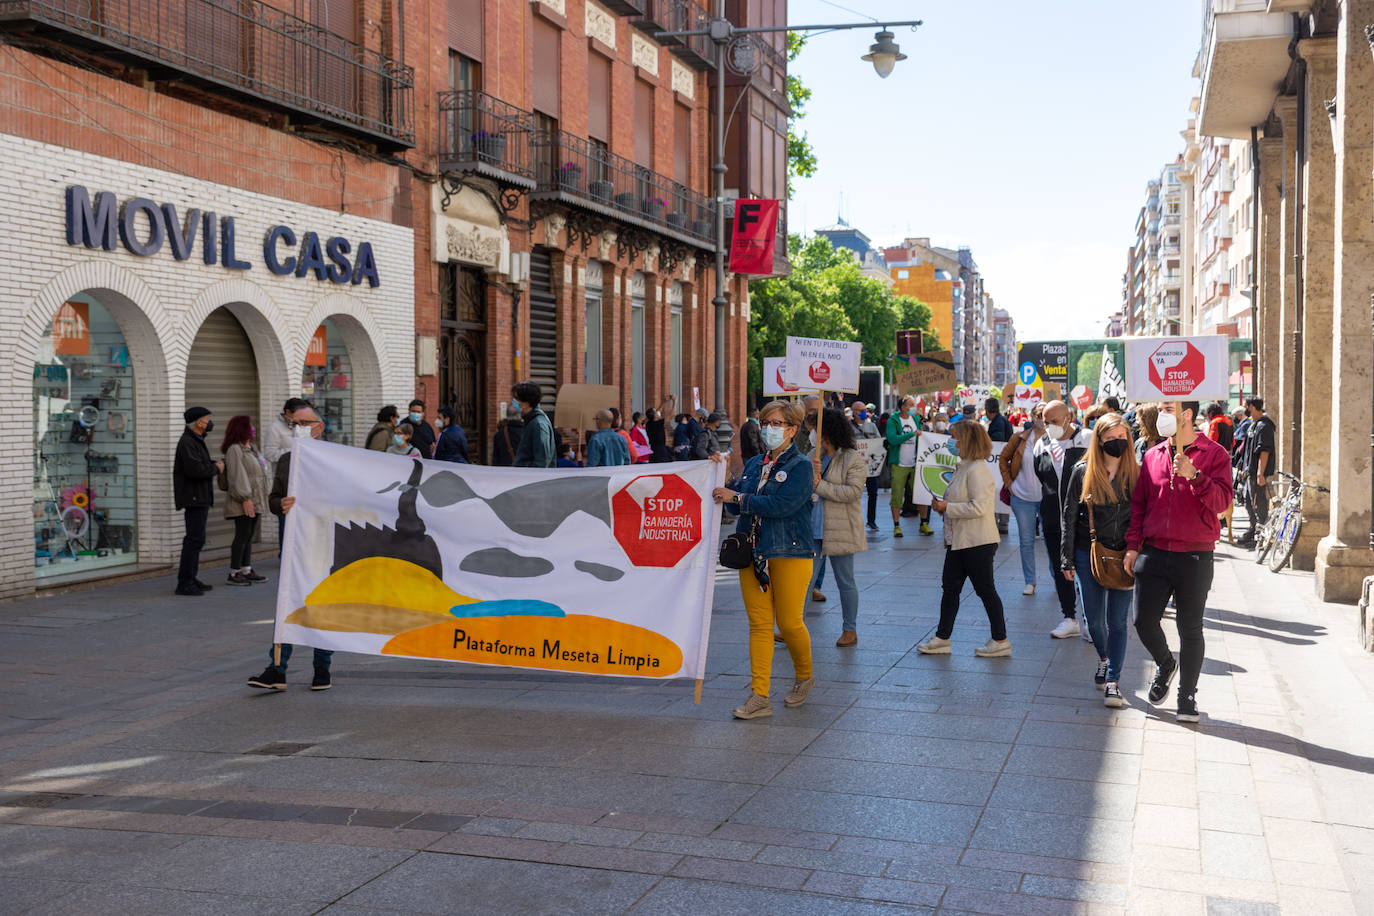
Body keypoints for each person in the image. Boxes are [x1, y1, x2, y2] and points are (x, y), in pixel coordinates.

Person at [1127, 401, 1233, 723]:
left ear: (1186, 414)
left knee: (1190, 628)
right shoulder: (1152, 455)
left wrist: (1195, 476)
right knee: (1143, 621)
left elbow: (1222, 502)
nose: (1161, 415)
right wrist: (1133, 547)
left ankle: (1187, 696)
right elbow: (1140, 505)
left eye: (1167, 408)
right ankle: (1165, 663)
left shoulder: (1215, 454)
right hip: (1155, 551)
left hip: (1196, 554)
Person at [712, 400, 815, 720]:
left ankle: (804, 675)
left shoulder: (801, 467)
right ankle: (760, 694)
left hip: (789, 551)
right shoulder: (756, 464)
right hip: (752, 552)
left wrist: (739, 497)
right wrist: (725, 478)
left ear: (792, 429)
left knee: (789, 623)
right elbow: (732, 507)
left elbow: (780, 505)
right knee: (759, 625)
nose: (769, 428)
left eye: (776, 423)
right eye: (765, 422)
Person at [247, 406, 335, 691]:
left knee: (321, 607)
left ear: (319, 427)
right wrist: (280, 505)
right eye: (292, 423)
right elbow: (274, 497)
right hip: (294, 545)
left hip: (325, 545)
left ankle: (322, 670)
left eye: (302, 423)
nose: (295, 428)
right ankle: (276, 670)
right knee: (287, 604)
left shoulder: (335, 461)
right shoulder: (287, 460)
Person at [1061, 413, 1138, 708]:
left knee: (1117, 621)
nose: (1118, 443)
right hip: (1087, 553)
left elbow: (1142, 516)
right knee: (1094, 620)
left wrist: (1137, 549)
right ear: (1100, 440)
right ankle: (1105, 658)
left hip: (1123, 554)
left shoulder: (1135, 473)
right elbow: (1068, 515)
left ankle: (1113, 680)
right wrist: (1066, 558)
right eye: (1112, 439)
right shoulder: (1083, 471)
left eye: (1123, 438)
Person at [918, 420, 1010, 657]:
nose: (951, 442)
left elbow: (980, 507)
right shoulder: (965, 466)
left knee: (985, 590)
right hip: (958, 540)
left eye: (954, 437)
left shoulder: (977, 470)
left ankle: (1000, 639)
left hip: (977, 541)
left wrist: (947, 506)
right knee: (950, 588)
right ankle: (942, 637)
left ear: (967, 440)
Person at [1032, 399, 1091, 638]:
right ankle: (1070, 617)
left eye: (1054, 421)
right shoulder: (1041, 445)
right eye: (1045, 422)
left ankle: (1091, 621)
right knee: (1060, 570)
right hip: (1053, 520)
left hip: (1083, 520)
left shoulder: (1087, 439)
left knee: (1086, 570)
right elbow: (1041, 476)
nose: (1049, 426)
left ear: (1068, 418)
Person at [811, 408, 867, 647]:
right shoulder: (814, 456)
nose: (812, 435)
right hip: (812, 527)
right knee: (805, 580)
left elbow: (853, 492)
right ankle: (792, 626)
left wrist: (819, 485)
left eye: (815, 430)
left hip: (840, 527)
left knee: (845, 581)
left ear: (827, 433)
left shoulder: (851, 459)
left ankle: (849, 629)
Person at [173, 407, 223, 596]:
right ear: (198, 423)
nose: (209, 422)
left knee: (197, 539)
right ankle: (184, 582)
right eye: (206, 419)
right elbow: (195, 470)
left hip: (199, 496)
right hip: (193, 497)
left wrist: (211, 464)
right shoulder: (188, 442)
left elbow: (200, 464)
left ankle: (191, 577)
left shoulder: (196, 440)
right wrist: (216, 469)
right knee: (193, 540)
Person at [999, 404, 1044, 596]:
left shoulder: (1057, 439)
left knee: (1054, 540)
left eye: (1046, 414)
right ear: (1032, 417)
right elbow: (1003, 458)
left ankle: (1059, 577)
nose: (1043, 418)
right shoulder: (1019, 438)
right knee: (1026, 541)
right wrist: (1009, 484)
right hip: (1022, 498)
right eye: (1039, 414)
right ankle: (1030, 581)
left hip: (1048, 499)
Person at [220, 414, 270, 587]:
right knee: (242, 535)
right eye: (250, 426)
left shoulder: (253, 448)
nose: (253, 429)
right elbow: (236, 476)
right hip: (243, 501)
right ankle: (234, 572)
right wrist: (245, 498)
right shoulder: (235, 449)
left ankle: (246, 569)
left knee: (249, 536)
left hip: (256, 499)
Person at [262, 397, 311, 551]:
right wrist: (294, 450)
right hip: (285, 481)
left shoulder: (303, 427)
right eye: (298, 415)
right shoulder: (275, 428)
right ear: (288, 412)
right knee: (286, 522)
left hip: (304, 481)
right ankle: (285, 557)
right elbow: (269, 453)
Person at [885, 396, 930, 538]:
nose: (913, 407)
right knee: (897, 495)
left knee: (921, 493)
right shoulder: (893, 421)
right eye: (911, 405)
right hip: (899, 464)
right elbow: (892, 439)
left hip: (916, 463)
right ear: (903, 407)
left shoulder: (916, 419)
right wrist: (911, 434)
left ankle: (924, 523)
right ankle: (896, 526)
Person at [1238, 396, 1275, 547]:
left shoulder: (1264, 426)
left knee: (1258, 503)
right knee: (1248, 502)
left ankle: (1261, 536)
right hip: (1249, 472)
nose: (1244, 408)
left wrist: (1261, 473)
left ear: (1252, 406)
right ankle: (1253, 529)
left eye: (1246, 406)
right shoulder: (1254, 424)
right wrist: (1243, 468)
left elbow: (1264, 452)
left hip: (1257, 473)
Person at [850, 399, 882, 531]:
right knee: (854, 494)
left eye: (865, 410)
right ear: (854, 412)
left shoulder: (872, 426)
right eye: (861, 411)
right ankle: (854, 520)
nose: (864, 413)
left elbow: (879, 442)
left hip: (870, 466)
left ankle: (871, 520)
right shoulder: (848, 427)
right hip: (855, 466)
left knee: (873, 493)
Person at [511, 381, 556, 468]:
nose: (514, 402)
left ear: (527, 402)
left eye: (517, 398)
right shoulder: (531, 421)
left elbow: (541, 462)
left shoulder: (538, 424)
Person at [492, 402, 524, 467]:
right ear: (520, 415)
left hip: (504, 473)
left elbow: (495, 460)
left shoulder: (499, 435)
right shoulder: (526, 432)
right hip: (522, 472)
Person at [647, 396, 674, 463]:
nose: (658, 412)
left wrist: (663, 402)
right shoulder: (658, 423)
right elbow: (672, 415)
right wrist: (675, 401)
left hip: (653, 450)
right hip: (660, 452)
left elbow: (657, 411)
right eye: (656, 412)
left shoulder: (648, 424)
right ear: (655, 415)